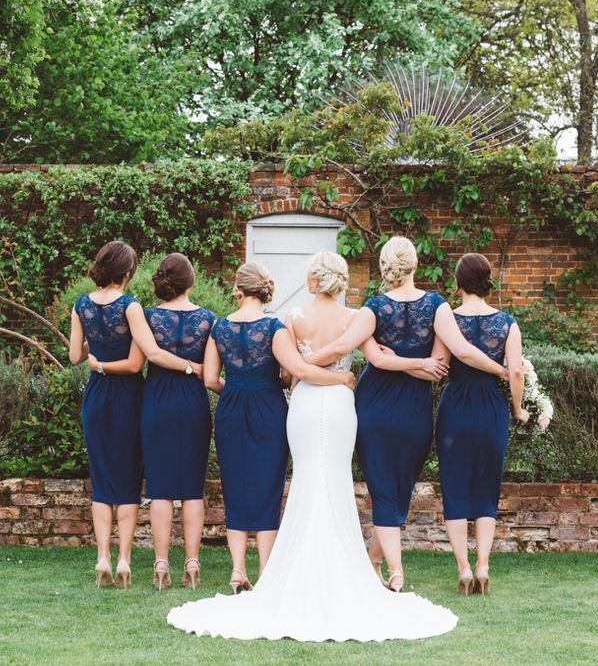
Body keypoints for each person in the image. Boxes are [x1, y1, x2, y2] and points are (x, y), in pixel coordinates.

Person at [167, 252, 457, 641]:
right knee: (334, 478)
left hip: (304, 405)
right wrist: (350, 375)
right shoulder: (356, 318)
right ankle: (345, 569)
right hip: (339, 405)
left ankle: (288, 570)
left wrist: (303, 371)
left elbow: (288, 372)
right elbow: (370, 358)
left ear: (314, 281)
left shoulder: (292, 320)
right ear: (339, 281)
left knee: (307, 477)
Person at [304, 236, 508, 592]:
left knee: (384, 489)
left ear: (386, 267)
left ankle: (383, 566)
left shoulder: (373, 308)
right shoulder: (437, 306)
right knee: (398, 489)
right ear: (415, 265)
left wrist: (300, 363)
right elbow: (445, 362)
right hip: (414, 409)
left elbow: (344, 348)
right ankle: (388, 568)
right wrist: (502, 370)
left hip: (375, 404)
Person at [199, 261, 354, 593]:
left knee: (235, 486)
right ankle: (266, 570)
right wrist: (342, 377)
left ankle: (238, 570)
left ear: (238, 290)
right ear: (265, 290)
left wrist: (236, 391)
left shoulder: (219, 327)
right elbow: (296, 370)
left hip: (231, 409)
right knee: (267, 487)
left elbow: (210, 379)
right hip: (269, 409)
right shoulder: (274, 329)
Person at [71, 241, 199, 588]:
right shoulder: (131, 307)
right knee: (127, 481)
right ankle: (125, 560)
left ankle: (103, 557)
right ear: (128, 273)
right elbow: (136, 362)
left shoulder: (80, 304)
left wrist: (95, 351)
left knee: (101, 482)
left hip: (96, 397)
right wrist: (193, 368)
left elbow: (74, 355)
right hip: (128, 398)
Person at [434, 253, 527, 595]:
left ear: (458, 283)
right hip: (491, 408)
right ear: (488, 282)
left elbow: (440, 366)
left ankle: (462, 568)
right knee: (487, 488)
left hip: (455, 405)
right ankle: (483, 565)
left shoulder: (446, 321)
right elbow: (516, 371)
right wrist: (518, 409)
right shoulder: (507, 323)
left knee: (454, 487)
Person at [140, 254, 215, 591]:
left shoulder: (147, 317)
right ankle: (192, 561)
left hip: (156, 400)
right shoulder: (209, 319)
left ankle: (160, 563)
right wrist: (194, 367)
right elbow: (213, 371)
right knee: (191, 488)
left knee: (159, 487)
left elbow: (143, 358)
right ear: (191, 281)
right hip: (192, 402)